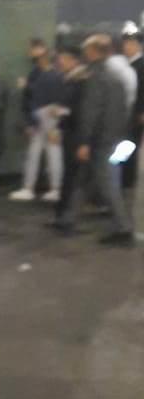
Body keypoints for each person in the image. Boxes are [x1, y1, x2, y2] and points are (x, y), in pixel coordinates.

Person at [56, 34, 133, 245]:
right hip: (115, 137)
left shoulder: (95, 78)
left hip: (100, 141)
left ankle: (123, 228)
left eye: (86, 49)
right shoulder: (116, 76)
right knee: (85, 179)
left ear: (93, 52)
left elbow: (90, 113)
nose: (84, 53)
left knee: (107, 184)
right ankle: (68, 219)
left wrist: (84, 142)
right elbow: (123, 109)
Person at [10, 39, 64, 202]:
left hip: (44, 115)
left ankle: (31, 188)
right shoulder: (56, 75)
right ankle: (54, 189)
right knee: (51, 153)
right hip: (51, 116)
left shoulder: (45, 76)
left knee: (40, 153)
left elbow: (36, 98)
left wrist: (26, 86)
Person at [49, 44, 88, 230]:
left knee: (73, 176)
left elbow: (75, 109)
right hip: (71, 132)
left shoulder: (80, 81)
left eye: (63, 59)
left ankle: (66, 216)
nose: (60, 62)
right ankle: (62, 215)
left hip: (76, 134)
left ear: (74, 60)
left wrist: (60, 116)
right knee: (70, 175)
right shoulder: (72, 79)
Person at [122, 29, 144, 187]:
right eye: (125, 43)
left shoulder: (141, 65)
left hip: (136, 113)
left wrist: (142, 111)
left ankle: (127, 180)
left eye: (130, 43)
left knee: (130, 143)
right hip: (125, 112)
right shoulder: (126, 64)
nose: (126, 47)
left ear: (139, 46)